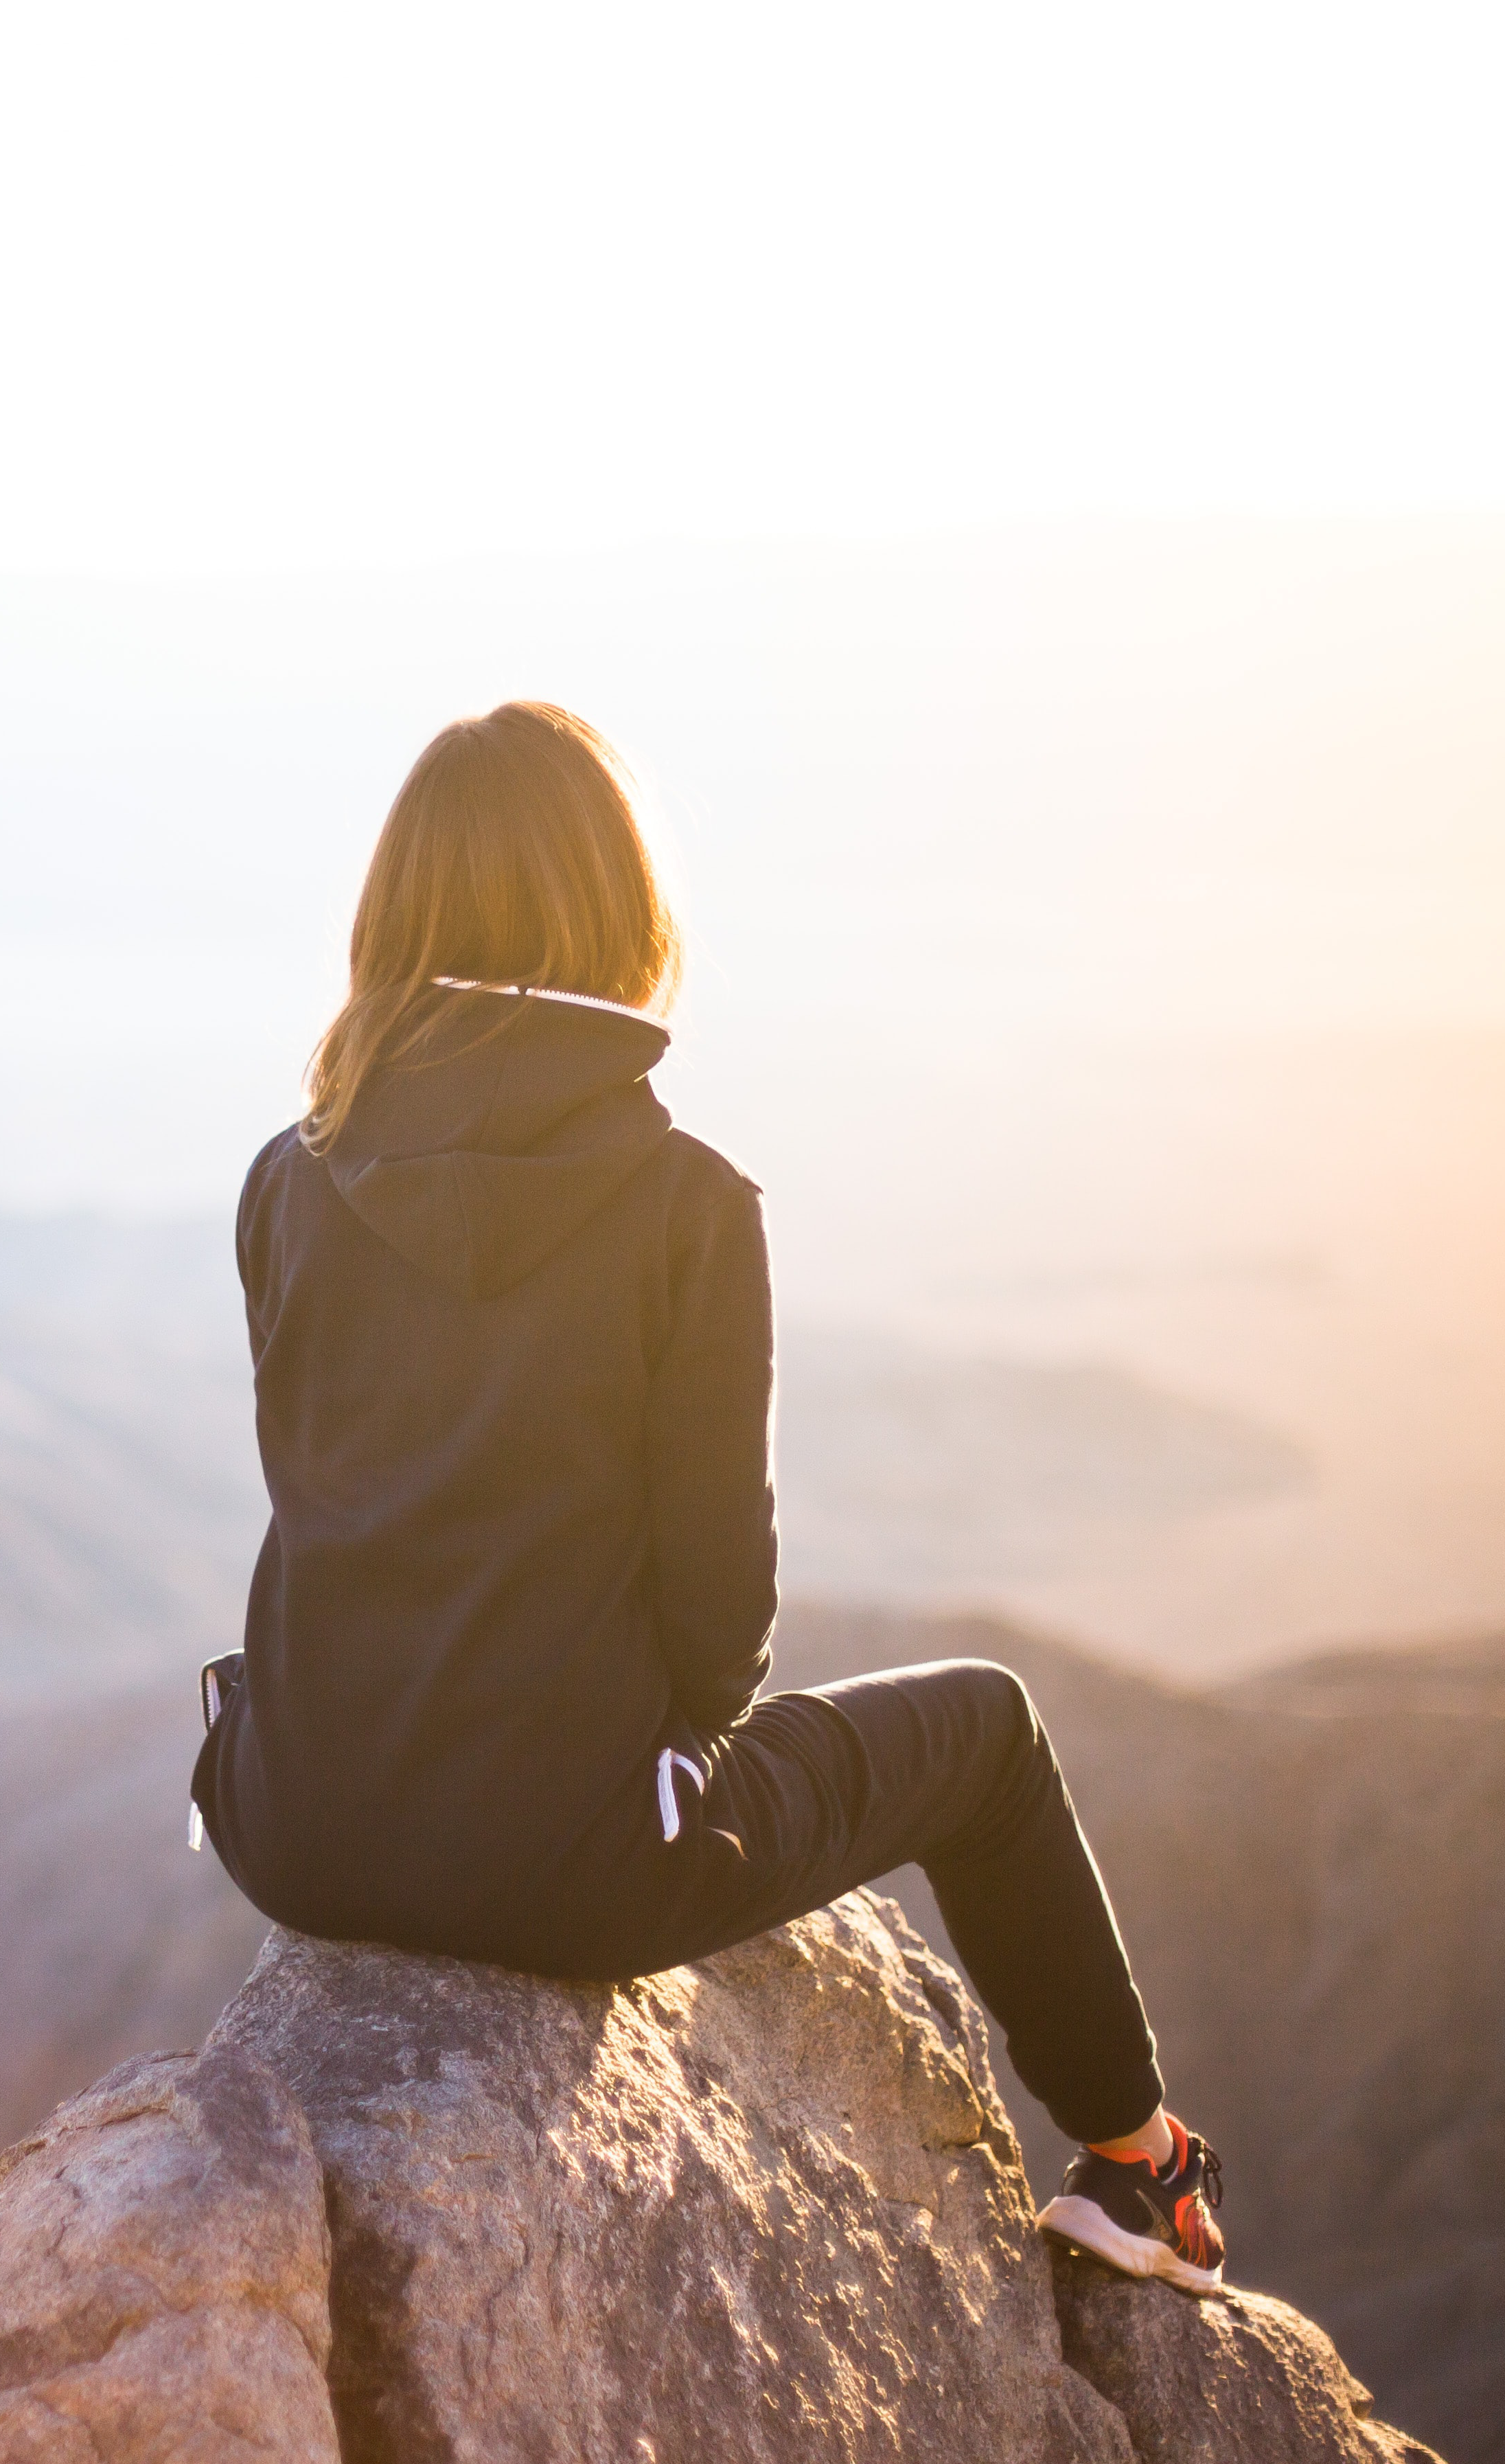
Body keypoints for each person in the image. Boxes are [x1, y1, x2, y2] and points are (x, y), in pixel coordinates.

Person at [192, 699, 1224, 2294]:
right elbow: (721, 1623)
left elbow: (324, 1493)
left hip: (292, 1822)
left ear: (393, 914)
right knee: (992, 1731)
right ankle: (1135, 2163)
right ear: (620, 912)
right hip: (570, 1866)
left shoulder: (287, 1170)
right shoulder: (685, 1204)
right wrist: (647, 1773)